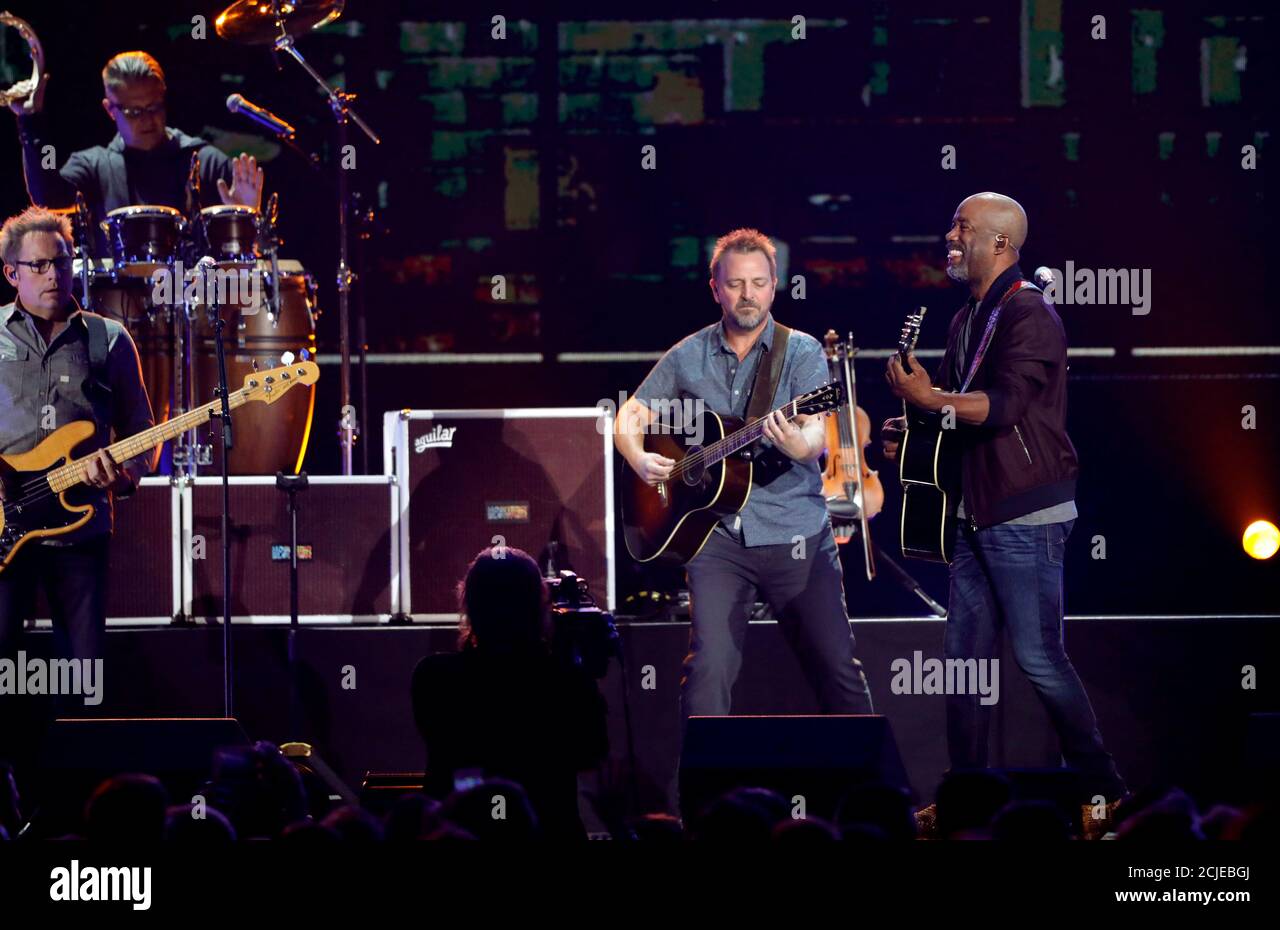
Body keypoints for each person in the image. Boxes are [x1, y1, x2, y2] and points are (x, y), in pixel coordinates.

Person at [883, 191, 1126, 807]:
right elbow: (963, 411)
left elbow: (1007, 407)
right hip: (975, 509)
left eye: (962, 226)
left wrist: (931, 401)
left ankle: (1104, 792)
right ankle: (966, 798)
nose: (950, 236)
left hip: (1025, 510)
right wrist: (916, 427)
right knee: (964, 663)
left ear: (1001, 243)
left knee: (1038, 656)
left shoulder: (1030, 314)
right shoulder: (969, 315)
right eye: (953, 223)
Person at [614, 227, 872, 726]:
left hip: (796, 533)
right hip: (717, 540)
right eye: (735, 284)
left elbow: (814, 437)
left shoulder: (800, 353)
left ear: (775, 285)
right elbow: (631, 415)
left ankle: (882, 795)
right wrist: (638, 459)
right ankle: (700, 800)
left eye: (758, 283)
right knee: (707, 671)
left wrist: (797, 444)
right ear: (715, 288)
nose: (748, 294)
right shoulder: (688, 353)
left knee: (836, 668)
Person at [0, 206, 158, 773]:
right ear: (11, 272)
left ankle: (80, 802)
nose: (53, 275)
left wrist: (125, 473)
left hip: (81, 528)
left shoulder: (107, 339)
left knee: (84, 677)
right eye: (38, 265)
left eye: (61, 263)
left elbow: (143, 432)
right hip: (3, 530)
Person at [411, 546, 609, 839]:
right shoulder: (564, 679)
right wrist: (567, 655)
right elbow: (591, 753)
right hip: (549, 830)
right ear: (538, 605)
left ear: (470, 605)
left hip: (462, 831)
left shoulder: (434, 676)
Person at [10, 50, 262, 254]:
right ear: (110, 110)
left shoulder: (206, 161)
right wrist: (31, 124)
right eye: (134, 112)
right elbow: (48, 197)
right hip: (118, 310)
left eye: (154, 107)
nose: (147, 119)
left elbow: (249, 260)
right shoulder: (95, 165)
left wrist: (246, 219)